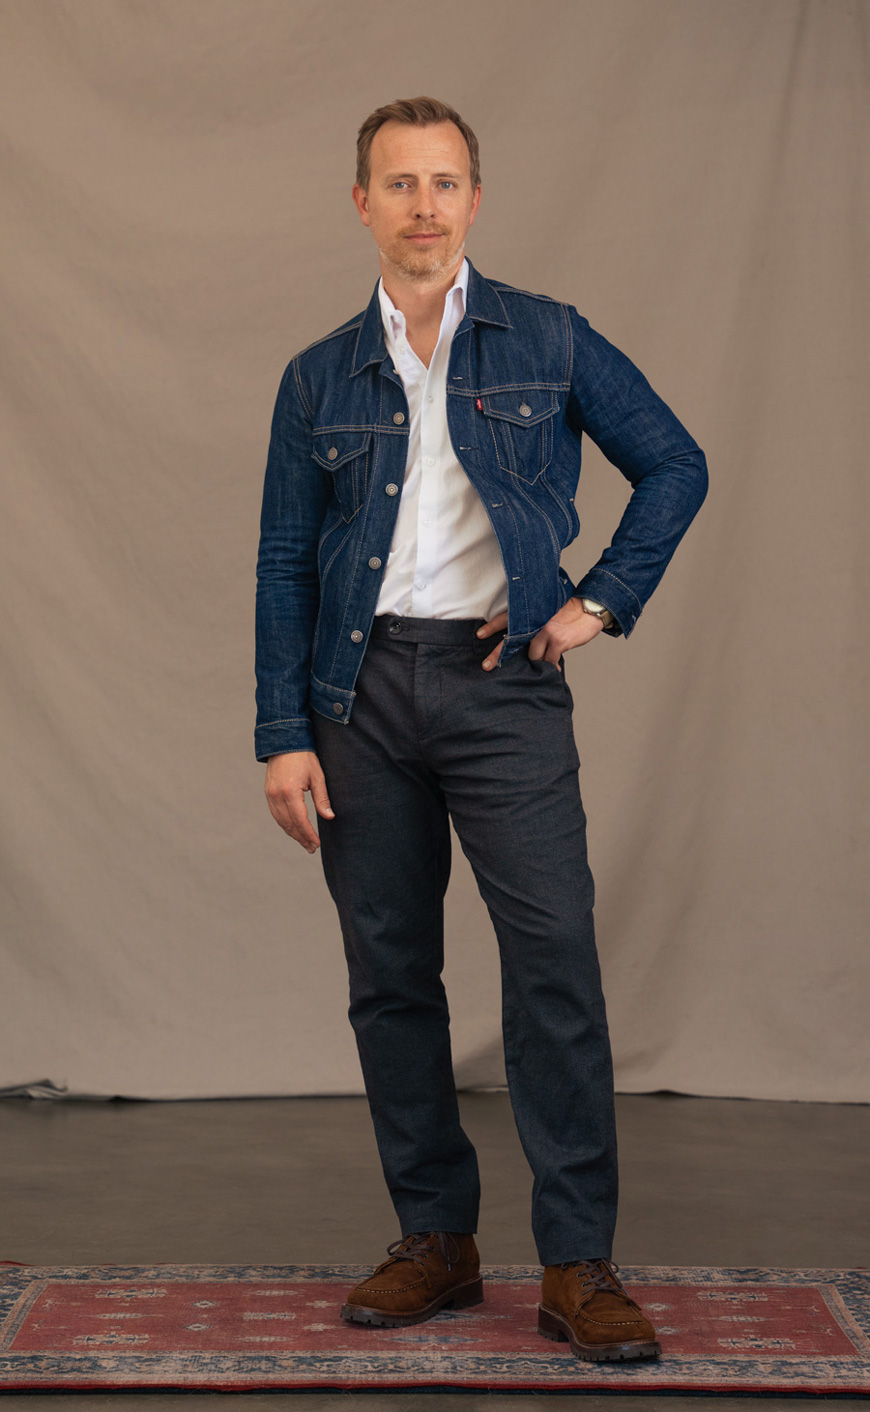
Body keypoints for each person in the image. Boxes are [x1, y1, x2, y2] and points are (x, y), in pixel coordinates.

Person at [254, 96, 707, 1363]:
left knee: (553, 957)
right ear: (362, 204)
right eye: (398, 184)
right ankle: (436, 1242)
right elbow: (286, 559)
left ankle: (577, 1262)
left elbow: (675, 462)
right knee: (391, 975)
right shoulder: (316, 375)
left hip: (504, 682)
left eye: (445, 182)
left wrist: (598, 601)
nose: (424, 206)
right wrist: (279, 731)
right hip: (358, 698)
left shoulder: (548, 339)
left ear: (476, 197)